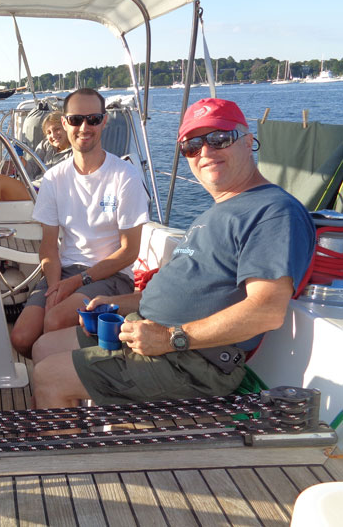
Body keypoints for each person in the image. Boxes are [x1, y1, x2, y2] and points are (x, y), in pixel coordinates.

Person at [31, 98, 315, 409]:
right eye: (192, 146)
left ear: (248, 143)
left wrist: (170, 338)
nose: (205, 152)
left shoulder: (274, 212)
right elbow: (189, 291)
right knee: (44, 347)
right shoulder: (217, 212)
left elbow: (266, 311)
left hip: (192, 361)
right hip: (149, 332)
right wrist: (117, 304)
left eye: (219, 139)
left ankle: (76, 457)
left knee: (48, 376)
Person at [9, 88, 151, 358]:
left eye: (93, 119)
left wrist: (78, 282)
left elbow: (129, 252)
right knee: (21, 337)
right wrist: (53, 289)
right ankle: (61, 367)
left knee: (54, 321)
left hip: (111, 275)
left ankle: (66, 379)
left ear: (104, 122)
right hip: (64, 271)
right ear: (64, 123)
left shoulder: (125, 177)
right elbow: (49, 246)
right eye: (75, 120)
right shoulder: (54, 178)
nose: (84, 127)